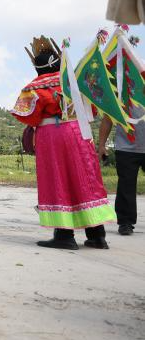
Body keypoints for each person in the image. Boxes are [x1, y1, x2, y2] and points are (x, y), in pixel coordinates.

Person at [12, 36, 115, 249]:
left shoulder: (34, 87)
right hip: (79, 132)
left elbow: (28, 116)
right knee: (85, 178)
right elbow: (93, 109)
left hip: (52, 136)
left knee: (57, 179)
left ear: (36, 66)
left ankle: (64, 236)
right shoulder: (75, 81)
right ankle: (97, 235)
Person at [99, 109, 143, 236]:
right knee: (126, 186)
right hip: (126, 147)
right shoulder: (119, 95)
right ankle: (125, 222)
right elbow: (108, 118)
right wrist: (101, 145)